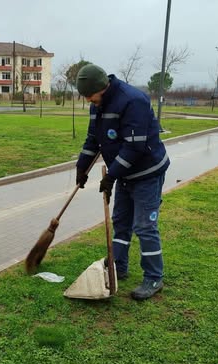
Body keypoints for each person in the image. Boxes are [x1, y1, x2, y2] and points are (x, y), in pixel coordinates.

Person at [75, 64, 170, 300]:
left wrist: (111, 176)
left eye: (90, 96)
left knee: (144, 226)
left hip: (147, 172)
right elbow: (92, 141)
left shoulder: (132, 101)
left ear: (102, 88)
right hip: (125, 173)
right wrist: (81, 168)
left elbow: (134, 147)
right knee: (120, 221)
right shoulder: (97, 105)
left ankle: (154, 277)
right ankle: (119, 266)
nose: (89, 100)